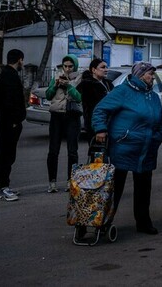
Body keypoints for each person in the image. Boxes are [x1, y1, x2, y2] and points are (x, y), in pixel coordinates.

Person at [92, 62, 162, 235]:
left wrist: (159, 136)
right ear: (140, 75)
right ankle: (103, 221)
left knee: (144, 189)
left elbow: (160, 120)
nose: (152, 77)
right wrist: (101, 130)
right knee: (114, 188)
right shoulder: (123, 91)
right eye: (150, 74)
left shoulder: (153, 96)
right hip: (124, 147)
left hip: (147, 149)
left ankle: (143, 222)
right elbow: (100, 109)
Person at [44, 54, 82, 193]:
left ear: (75, 66)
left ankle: (70, 180)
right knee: (53, 150)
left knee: (72, 151)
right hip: (57, 116)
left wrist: (69, 86)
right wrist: (55, 85)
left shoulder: (79, 78)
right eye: (65, 66)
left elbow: (79, 98)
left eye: (70, 66)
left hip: (72, 116)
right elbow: (48, 95)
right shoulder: (56, 77)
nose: (67, 69)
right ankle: (52, 182)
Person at [0, 48, 25, 201]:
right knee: (6, 155)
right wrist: (13, 121)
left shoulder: (4, 75)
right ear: (19, 59)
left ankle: (2, 186)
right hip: (9, 123)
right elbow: (10, 102)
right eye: (22, 60)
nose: (23, 63)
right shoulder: (10, 77)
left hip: (6, 121)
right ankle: (2, 187)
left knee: (7, 155)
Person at [77, 58, 113, 144]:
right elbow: (89, 105)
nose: (106, 70)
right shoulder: (86, 84)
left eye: (106, 67)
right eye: (103, 67)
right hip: (94, 125)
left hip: (110, 123)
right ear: (93, 70)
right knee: (97, 153)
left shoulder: (108, 83)